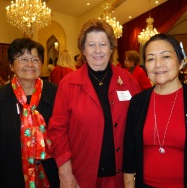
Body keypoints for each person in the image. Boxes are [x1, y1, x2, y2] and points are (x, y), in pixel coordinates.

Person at [48, 19, 141, 188]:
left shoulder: (129, 82)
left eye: (103, 44)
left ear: (111, 48)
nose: (97, 50)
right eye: (91, 45)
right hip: (81, 177)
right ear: (83, 49)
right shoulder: (68, 84)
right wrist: (65, 173)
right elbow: (57, 131)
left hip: (122, 178)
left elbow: (139, 127)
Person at [123, 33, 187, 187]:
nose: (158, 64)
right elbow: (129, 154)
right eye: (150, 58)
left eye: (166, 57)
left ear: (181, 62)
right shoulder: (138, 103)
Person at [0, 38, 60, 188]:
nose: (30, 64)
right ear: (11, 65)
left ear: (41, 64)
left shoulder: (55, 93)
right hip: (11, 176)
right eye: (23, 59)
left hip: (52, 175)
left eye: (35, 59)